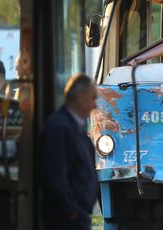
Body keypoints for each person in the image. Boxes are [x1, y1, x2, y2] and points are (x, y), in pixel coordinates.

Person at [40, 74, 98, 230]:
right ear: (79, 96)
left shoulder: (73, 126)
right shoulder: (60, 127)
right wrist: (72, 211)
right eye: (93, 98)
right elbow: (55, 176)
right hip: (66, 220)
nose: (95, 106)